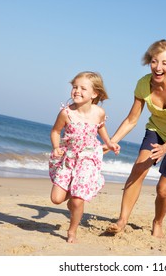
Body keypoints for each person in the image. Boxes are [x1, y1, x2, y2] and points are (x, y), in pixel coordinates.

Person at [105, 39, 166, 238]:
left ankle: (158, 221)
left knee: (163, 190)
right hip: (156, 129)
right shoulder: (143, 84)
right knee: (139, 167)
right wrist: (111, 141)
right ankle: (122, 220)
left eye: (164, 63)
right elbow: (132, 120)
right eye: (154, 62)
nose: (158, 68)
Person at [49, 71, 120, 243]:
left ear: (94, 94)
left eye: (83, 88)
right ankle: (73, 198)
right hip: (70, 157)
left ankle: (72, 231)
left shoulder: (99, 112)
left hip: (88, 158)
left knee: (78, 199)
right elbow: (56, 131)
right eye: (75, 87)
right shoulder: (66, 113)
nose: (77, 91)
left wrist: (109, 143)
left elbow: (101, 127)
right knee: (56, 199)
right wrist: (56, 147)